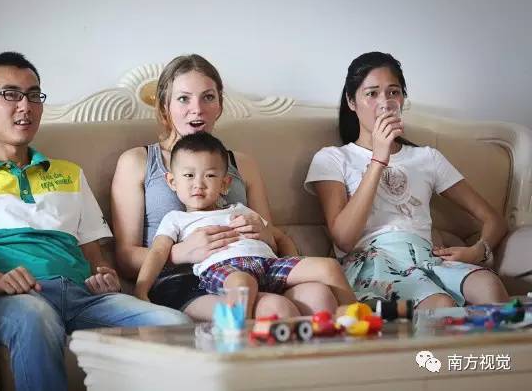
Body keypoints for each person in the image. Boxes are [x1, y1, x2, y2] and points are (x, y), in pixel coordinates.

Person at [0, 52, 190, 391]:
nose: (26, 106)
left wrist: (104, 275)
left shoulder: (69, 173)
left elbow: (93, 253)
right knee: (36, 318)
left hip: (82, 296)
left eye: (34, 95)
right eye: (11, 95)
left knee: (174, 322)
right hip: (14, 298)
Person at [112, 54, 346, 320]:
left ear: (220, 105)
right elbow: (125, 258)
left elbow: (274, 238)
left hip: (254, 267)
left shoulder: (242, 164)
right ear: (165, 106)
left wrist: (265, 234)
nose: (197, 109)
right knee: (275, 309)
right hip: (180, 281)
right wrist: (180, 252)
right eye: (184, 98)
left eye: (208, 97)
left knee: (319, 296)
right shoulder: (138, 161)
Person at [305, 51, 509, 309]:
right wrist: (378, 159)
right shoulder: (333, 158)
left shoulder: (427, 157)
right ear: (351, 101)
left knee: (490, 287)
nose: (384, 103)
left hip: (427, 259)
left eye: (393, 92)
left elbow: (494, 219)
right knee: (439, 304)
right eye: (372, 94)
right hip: (373, 264)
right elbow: (344, 239)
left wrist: (478, 251)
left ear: (402, 99)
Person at [135, 132, 356, 317]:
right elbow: (158, 252)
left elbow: (279, 238)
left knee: (329, 267)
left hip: (268, 266)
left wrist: (290, 264)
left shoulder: (241, 210)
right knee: (243, 283)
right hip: (225, 269)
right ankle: (239, 332)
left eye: (209, 176)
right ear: (172, 181)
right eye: (189, 175)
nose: (198, 184)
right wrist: (141, 291)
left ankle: (355, 318)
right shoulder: (176, 218)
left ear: (225, 184)